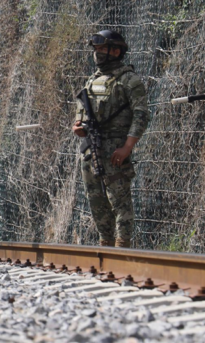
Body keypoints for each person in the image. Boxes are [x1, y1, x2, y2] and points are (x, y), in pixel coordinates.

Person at [73, 30, 149, 248]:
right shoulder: (92, 80)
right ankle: (106, 246)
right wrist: (78, 126)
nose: (97, 54)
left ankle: (122, 247)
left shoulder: (129, 80)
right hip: (91, 149)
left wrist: (127, 146)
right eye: (96, 49)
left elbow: (141, 114)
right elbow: (82, 110)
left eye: (102, 49)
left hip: (115, 150)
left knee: (120, 201)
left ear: (116, 51)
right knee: (96, 201)